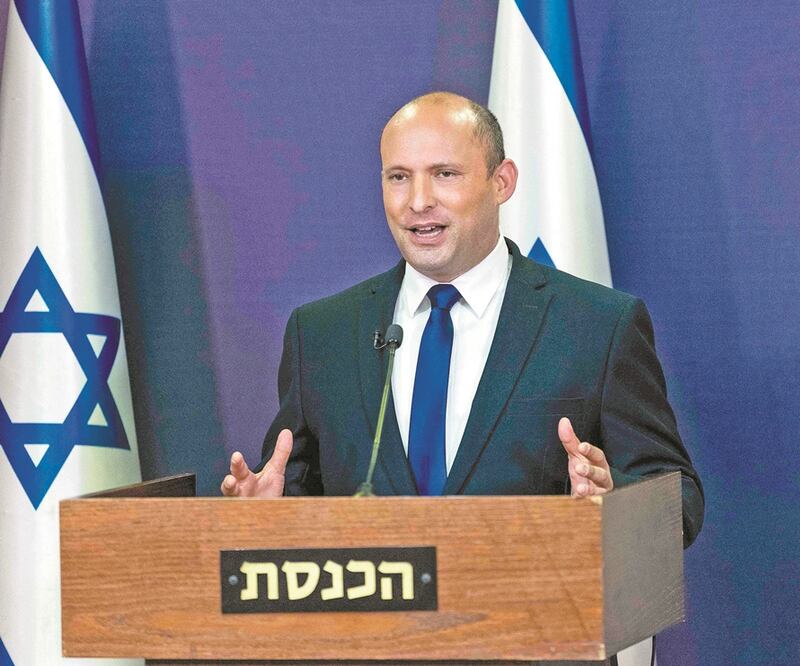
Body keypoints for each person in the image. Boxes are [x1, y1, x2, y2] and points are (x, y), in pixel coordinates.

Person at [220, 91, 704, 548]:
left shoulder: (598, 326)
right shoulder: (322, 334)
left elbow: (679, 502)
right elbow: (299, 485)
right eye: (398, 177)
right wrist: (270, 514)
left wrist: (611, 497)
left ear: (502, 182)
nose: (418, 201)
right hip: (369, 629)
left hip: (534, 624)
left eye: (445, 174)